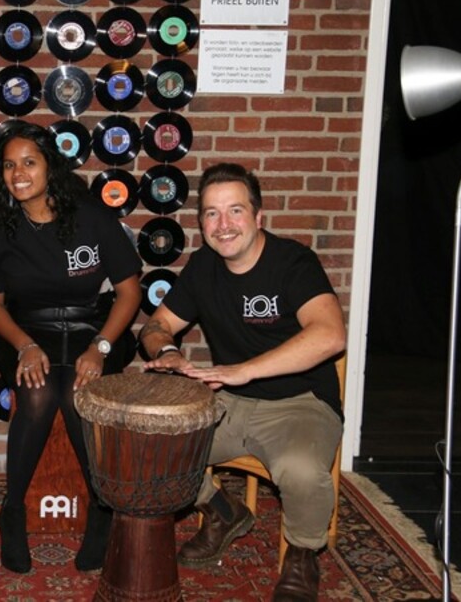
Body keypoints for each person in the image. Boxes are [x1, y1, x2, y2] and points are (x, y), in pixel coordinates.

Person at [139, 163, 346, 601]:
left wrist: (245, 369)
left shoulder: (293, 262)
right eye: (211, 214)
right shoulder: (203, 267)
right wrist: (167, 351)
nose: (224, 225)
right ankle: (223, 511)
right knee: (151, 446)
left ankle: (302, 555)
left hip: (301, 401)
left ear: (258, 216)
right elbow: (156, 326)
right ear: (201, 224)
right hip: (228, 401)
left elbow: (330, 335)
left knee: (301, 470)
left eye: (235, 210)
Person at [0, 121, 142, 573]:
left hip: (94, 327)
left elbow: (130, 292)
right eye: (9, 165)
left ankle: (101, 508)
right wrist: (25, 345)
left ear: (51, 166)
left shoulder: (92, 217)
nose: (18, 174)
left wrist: (101, 347)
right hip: (26, 330)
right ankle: (13, 510)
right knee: (37, 393)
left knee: (75, 394)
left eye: (29, 162)